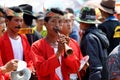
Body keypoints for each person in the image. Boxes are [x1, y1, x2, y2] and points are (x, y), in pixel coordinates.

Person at [31, 8, 84, 80]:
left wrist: (66, 53)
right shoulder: (36, 46)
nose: (57, 25)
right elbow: (41, 71)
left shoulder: (70, 42)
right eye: (53, 21)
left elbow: (75, 68)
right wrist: (58, 53)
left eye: (60, 22)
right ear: (45, 24)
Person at [0, 6, 34, 80]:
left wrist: (30, 69)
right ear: (7, 21)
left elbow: (29, 59)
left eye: (21, 21)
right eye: (16, 20)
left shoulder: (23, 37)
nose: (19, 24)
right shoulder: (1, 39)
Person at [77, 6, 109, 80]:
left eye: (80, 22)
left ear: (86, 24)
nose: (79, 25)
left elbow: (95, 67)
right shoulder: (98, 34)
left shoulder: (89, 38)